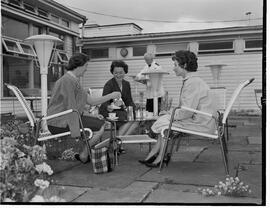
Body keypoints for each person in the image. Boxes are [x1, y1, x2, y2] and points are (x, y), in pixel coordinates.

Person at [138, 50, 217, 167]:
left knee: (165, 122)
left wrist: (169, 114)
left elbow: (186, 112)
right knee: (165, 120)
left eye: (175, 65)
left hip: (201, 123)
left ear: (184, 65)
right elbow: (187, 109)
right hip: (201, 119)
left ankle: (159, 156)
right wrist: (169, 113)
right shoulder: (193, 80)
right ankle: (155, 154)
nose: (173, 68)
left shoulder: (192, 83)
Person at [47, 53, 121, 163]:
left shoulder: (73, 80)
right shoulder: (67, 81)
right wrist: (76, 131)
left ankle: (84, 153)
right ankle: (84, 153)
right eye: (86, 65)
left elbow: (90, 102)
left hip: (64, 119)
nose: (86, 69)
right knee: (100, 126)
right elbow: (71, 107)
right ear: (79, 65)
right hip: (59, 122)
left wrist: (93, 115)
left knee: (100, 122)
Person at [99, 60, 138, 136]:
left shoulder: (126, 84)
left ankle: (119, 142)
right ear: (112, 73)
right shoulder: (109, 84)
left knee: (136, 120)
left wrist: (133, 109)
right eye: (116, 73)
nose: (118, 75)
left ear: (125, 72)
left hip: (121, 111)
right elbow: (104, 102)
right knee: (126, 118)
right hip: (109, 111)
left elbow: (129, 101)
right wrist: (108, 106)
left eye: (121, 73)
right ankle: (118, 143)